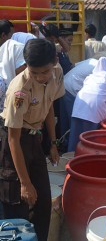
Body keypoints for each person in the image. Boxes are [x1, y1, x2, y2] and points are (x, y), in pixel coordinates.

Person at [0, 39, 64, 241]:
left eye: (44, 72)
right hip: (14, 143)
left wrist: (53, 143)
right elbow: (13, 139)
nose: (39, 77)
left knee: (43, 200)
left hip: (35, 138)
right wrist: (25, 182)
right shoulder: (19, 91)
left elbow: (49, 106)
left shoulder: (56, 74)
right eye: (34, 72)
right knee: (18, 201)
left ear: (53, 62)